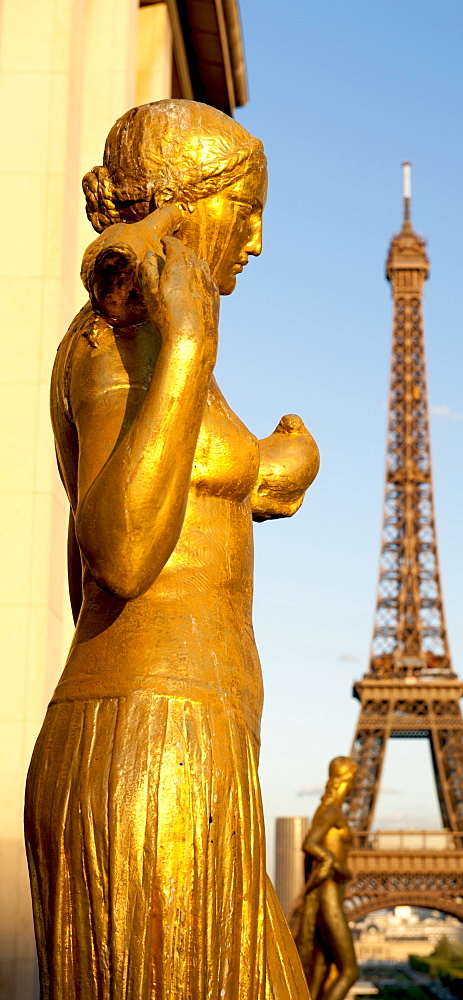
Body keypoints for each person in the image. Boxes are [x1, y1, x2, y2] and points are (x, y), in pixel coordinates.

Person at [24, 99, 318, 1000]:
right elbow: (119, 548)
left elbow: (182, 482)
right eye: (248, 208)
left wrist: (270, 467)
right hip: (150, 747)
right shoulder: (123, 338)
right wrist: (191, 343)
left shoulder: (144, 336)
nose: (258, 241)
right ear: (191, 204)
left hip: (197, 742)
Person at [292, 757, 360, 1000]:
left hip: (329, 895)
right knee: (350, 971)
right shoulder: (331, 811)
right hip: (328, 896)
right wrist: (340, 867)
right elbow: (309, 843)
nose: (354, 786)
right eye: (352, 780)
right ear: (343, 781)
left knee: (321, 968)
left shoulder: (331, 809)